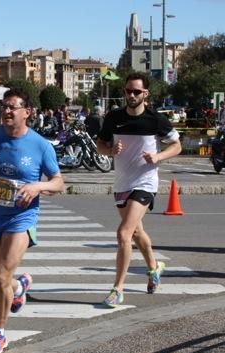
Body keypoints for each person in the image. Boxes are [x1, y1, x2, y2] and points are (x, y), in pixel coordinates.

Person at [0, 87, 64, 353]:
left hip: (22, 217)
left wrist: (36, 187)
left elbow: (59, 183)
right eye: (4, 107)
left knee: (1, 276)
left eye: (12, 107)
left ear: (27, 112)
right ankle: (19, 286)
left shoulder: (40, 145)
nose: (7, 111)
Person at [95, 72, 182, 307]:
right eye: (128, 91)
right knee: (135, 232)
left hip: (145, 182)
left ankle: (118, 288)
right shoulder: (114, 118)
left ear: (145, 94)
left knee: (123, 233)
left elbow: (177, 145)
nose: (131, 95)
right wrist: (110, 151)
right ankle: (154, 267)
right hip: (122, 182)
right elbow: (100, 146)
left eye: (136, 92)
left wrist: (158, 156)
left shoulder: (155, 119)